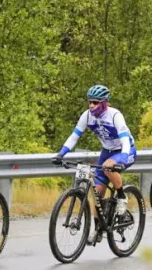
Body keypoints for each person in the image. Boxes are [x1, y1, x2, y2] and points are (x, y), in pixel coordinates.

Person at [53, 85, 138, 224]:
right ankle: (98, 226)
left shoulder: (115, 115)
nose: (91, 105)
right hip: (107, 151)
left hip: (125, 150)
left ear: (105, 102)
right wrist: (61, 154)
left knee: (107, 166)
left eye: (95, 102)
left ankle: (122, 197)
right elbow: (74, 136)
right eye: (90, 102)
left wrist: (122, 160)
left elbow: (124, 140)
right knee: (97, 194)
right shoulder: (87, 116)